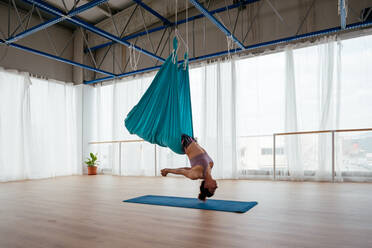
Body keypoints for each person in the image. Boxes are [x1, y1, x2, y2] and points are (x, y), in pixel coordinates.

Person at [161, 134, 218, 201]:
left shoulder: (196, 174)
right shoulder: (210, 166)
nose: (216, 187)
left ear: (206, 186)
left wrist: (167, 170)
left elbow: (182, 171)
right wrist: (195, 142)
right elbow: (188, 168)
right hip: (192, 139)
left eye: (213, 189)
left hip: (184, 141)